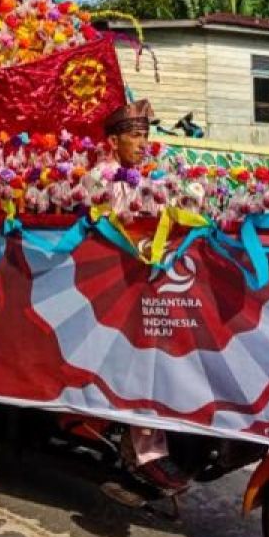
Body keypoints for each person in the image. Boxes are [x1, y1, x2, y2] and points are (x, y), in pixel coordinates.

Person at [101, 99, 190, 495]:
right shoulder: (104, 180)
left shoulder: (156, 178)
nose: (142, 144)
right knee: (142, 359)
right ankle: (147, 451)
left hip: (153, 279)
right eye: (134, 136)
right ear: (113, 141)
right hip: (116, 285)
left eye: (146, 136)